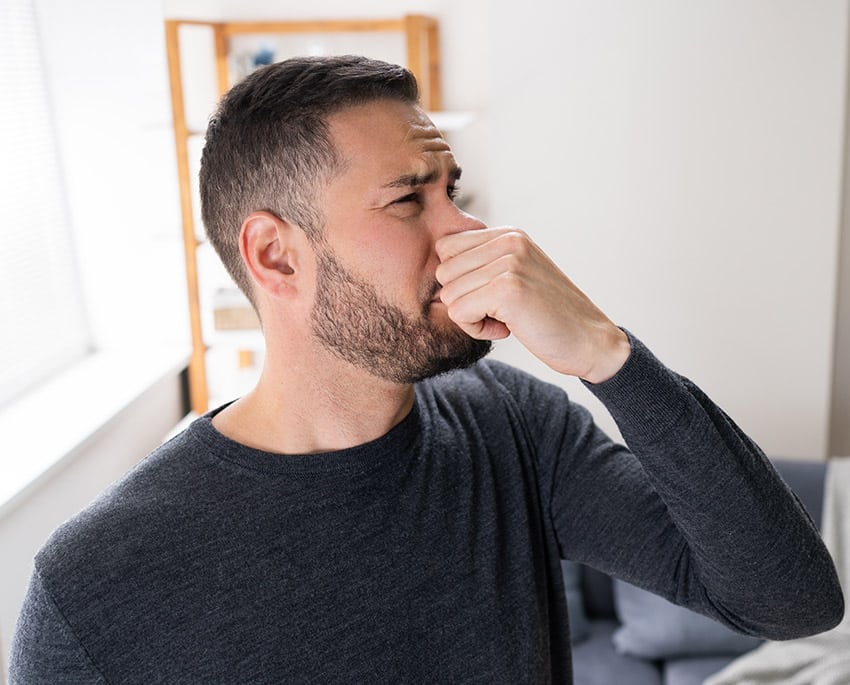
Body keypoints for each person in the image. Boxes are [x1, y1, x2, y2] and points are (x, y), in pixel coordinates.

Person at [10, 55, 843, 684]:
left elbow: (791, 599)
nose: (469, 232)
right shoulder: (96, 583)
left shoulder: (511, 421)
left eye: (454, 191)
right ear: (276, 256)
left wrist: (605, 352)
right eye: (409, 199)